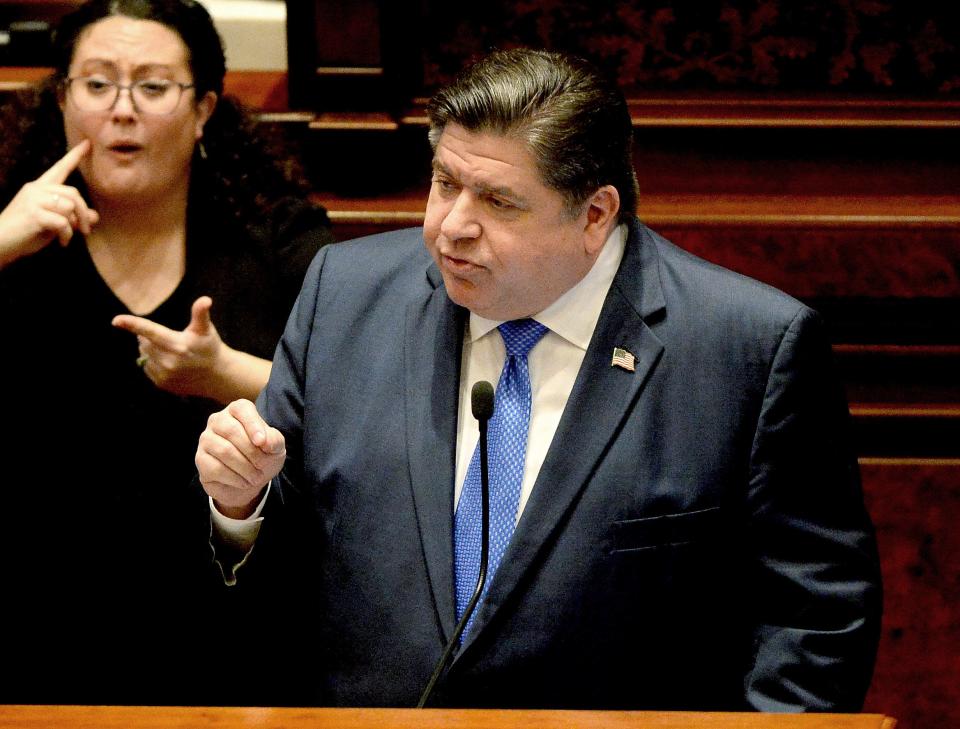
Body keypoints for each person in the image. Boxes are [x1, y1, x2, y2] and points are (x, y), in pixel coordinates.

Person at [197, 48, 882, 711]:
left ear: (594, 215)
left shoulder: (749, 349)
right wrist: (239, 508)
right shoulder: (344, 296)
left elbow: (816, 619)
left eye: (497, 201)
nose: (451, 227)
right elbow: (282, 566)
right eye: (444, 183)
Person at [0, 0, 333, 705]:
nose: (122, 110)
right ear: (61, 99)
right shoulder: (9, 230)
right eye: (96, 84)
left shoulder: (276, 239)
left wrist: (225, 376)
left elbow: (363, 402)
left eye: (152, 86)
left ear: (204, 107)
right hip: (31, 617)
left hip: (233, 614)